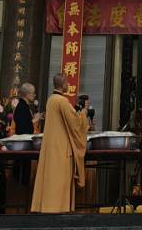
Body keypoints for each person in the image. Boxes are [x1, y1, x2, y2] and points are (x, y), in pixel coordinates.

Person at [31, 74, 89, 213]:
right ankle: (58, 208)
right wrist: (83, 114)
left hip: (52, 147)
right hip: (61, 148)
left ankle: (47, 206)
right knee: (59, 179)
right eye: (67, 83)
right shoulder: (62, 101)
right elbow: (75, 123)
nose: (68, 85)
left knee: (50, 178)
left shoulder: (51, 99)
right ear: (62, 85)